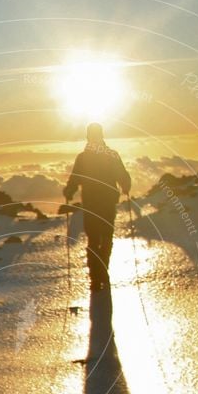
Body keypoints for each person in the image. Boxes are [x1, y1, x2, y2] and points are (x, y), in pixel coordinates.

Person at [63, 123, 131, 290]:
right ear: (101, 135)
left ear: (88, 137)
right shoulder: (111, 155)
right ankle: (102, 272)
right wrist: (126, 186)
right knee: (106, 237)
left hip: (91, 204)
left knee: (94, 239)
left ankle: (96, 277)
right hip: (107, 203)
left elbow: (74, 179)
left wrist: (69, 191)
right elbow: (122, 174)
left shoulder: (83, 158)